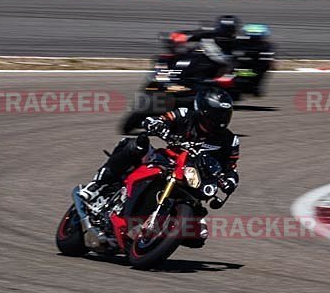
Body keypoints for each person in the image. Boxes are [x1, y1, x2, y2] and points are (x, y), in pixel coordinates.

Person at [79, 87, 240, 208]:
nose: (220, 119)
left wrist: (230, 182)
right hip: (168, 160)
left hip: (194, 180)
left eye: (224, 115)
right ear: (202, 111)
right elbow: (162, 119)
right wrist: (157, 124)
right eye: (216, 114)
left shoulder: (230, 140)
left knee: (199, 235)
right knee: (134, 145)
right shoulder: (185, 115)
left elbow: (231, 169)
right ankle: (97, 185)